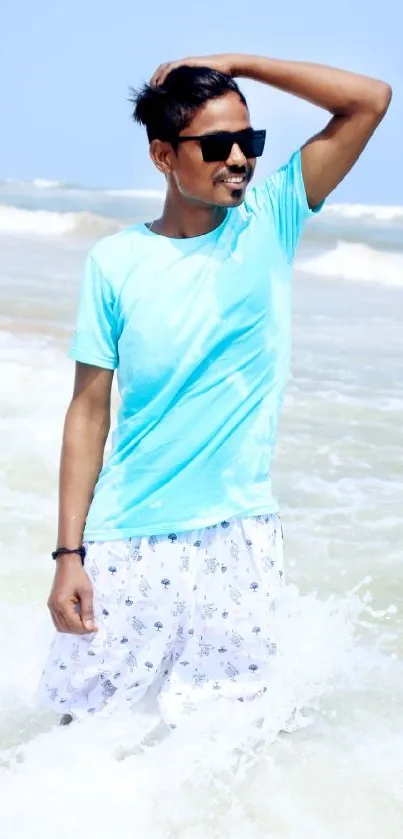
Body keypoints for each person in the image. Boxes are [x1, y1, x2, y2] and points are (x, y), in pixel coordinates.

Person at [39, 54, 391, 728]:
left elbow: (369, 100)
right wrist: (68, 556)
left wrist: (237, 63)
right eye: (216, 144)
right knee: (83, 734)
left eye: (249, 140)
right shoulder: (115, 260)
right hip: (126, 543)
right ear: (162, 156)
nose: (238, 158)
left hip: (239, 540)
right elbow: (88, 414)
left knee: (220, 742)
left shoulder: (272, 217)